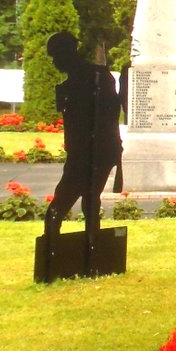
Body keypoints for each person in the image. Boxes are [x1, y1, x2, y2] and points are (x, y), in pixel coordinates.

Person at [43, 32, 123, 248]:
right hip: (93, 152)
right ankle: (88, 251)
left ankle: (57, 256)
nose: (54, 62)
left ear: (66, 53)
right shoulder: (91, 77)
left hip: (91, 152)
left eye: (55, 56)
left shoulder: (95, 77)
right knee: (88, 203)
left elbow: (106, 115)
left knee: (61, 207)